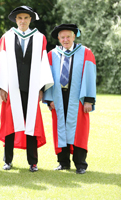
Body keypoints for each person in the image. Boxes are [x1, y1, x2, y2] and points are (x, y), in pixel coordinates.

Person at [0, 6, 53, 172]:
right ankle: (7, 160)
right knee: (9, 125)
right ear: (16, 20)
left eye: (26, 18)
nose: (22, 21)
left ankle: (33, 162)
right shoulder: (6, 37)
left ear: (30, 19)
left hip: (32, 87)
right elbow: (1, 62)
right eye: (19, 18)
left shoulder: (39, 38)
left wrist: (42, 87)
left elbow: (43, 62)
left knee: (31, 124)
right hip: (11, 87)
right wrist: (2, 86)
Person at [43, 24, 96, 174]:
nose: (65, 39)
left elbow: (90, 77)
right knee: (60, 129)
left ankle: (80, 164)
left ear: (74, 36)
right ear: (58, 38)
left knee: (79, 130)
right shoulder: (52, 54)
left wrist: (89, 100)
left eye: (68, 36)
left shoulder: (86, 52)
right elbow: (48, 78)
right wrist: (49, 98)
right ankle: (63, 162)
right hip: (58, 97)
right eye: (62, 37)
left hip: (78, 98)